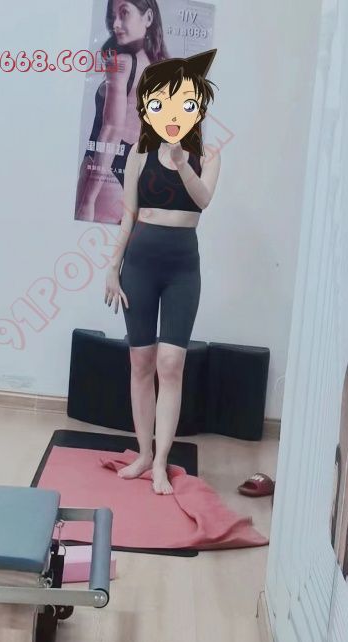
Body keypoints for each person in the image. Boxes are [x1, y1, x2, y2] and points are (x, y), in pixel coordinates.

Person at [103, 49, 220, 494]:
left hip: (182, 268)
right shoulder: (139, 152)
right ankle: (143, 454)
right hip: (140, 263)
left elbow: (203, 199)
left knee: (171, 364)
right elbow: (128, 214)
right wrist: (112, 267)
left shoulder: (208, 155)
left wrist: (183, 162)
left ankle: (161, 462)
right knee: (141, 360)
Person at [75, 0, 169, 223]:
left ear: (148, 17)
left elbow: (111, 131)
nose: (115, 23)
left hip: (107, 169)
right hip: (144, 172)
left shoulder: (122, 63)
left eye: (124, 13)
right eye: (113, 15)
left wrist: (88, 200)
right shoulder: (165, 67)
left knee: (91, 238)